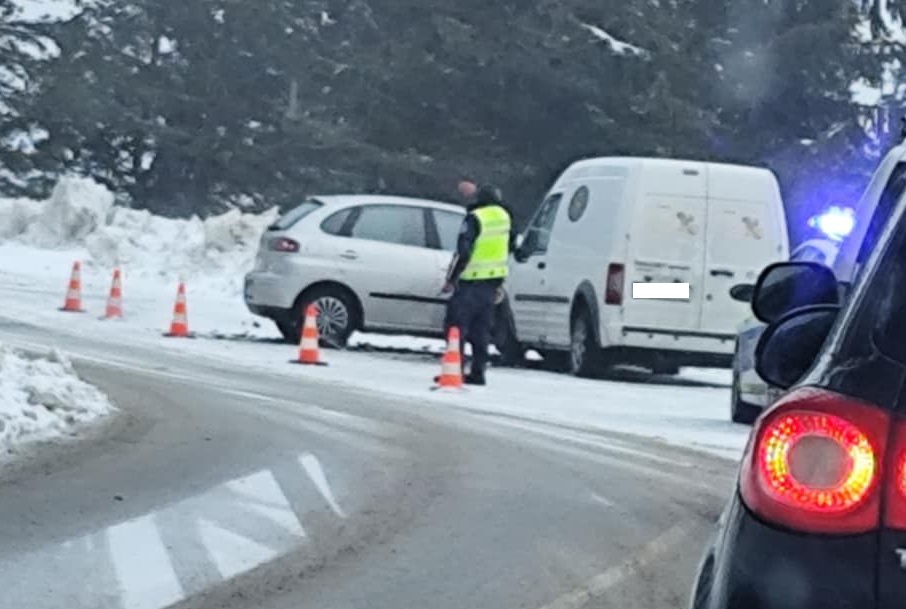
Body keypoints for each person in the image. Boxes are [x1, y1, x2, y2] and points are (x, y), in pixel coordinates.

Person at [440, 182, 517, 385]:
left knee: (455, 327)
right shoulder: (504, 217)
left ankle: (454, 368)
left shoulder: (475, 218)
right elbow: (511, 246)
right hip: (492, 282)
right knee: (481, 330)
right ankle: (478, 372)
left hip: (470, 282)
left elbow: (464, 252)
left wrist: (451, 279)